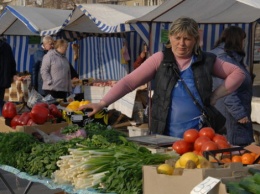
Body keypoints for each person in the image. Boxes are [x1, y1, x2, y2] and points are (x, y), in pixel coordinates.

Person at [79, 17, 245, 138]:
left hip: (200, 134)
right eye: (177, 38)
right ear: (170, 37)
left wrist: (216, 95)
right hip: (165, 134)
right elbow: (129, 82)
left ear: (195, 40)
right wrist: (102, 103)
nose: (182, 43)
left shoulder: (206, 60)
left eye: (187, 38)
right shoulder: (159, 59)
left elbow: (238, 74)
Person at [210, 26, 254, 146]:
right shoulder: (224, 58)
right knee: (234, 152)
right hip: (230, 117)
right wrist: (239, 114)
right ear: (237, 40)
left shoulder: (229, 57)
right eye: (243, 40)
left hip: (226, 113)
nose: (244, 44)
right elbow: (227, 89)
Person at [0, 37, 18, 115]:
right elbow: (12, 63)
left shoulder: (7, 47)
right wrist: (13, 74)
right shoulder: (7, 46)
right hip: (4, 80)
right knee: (1, 101)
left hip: (3, 79)